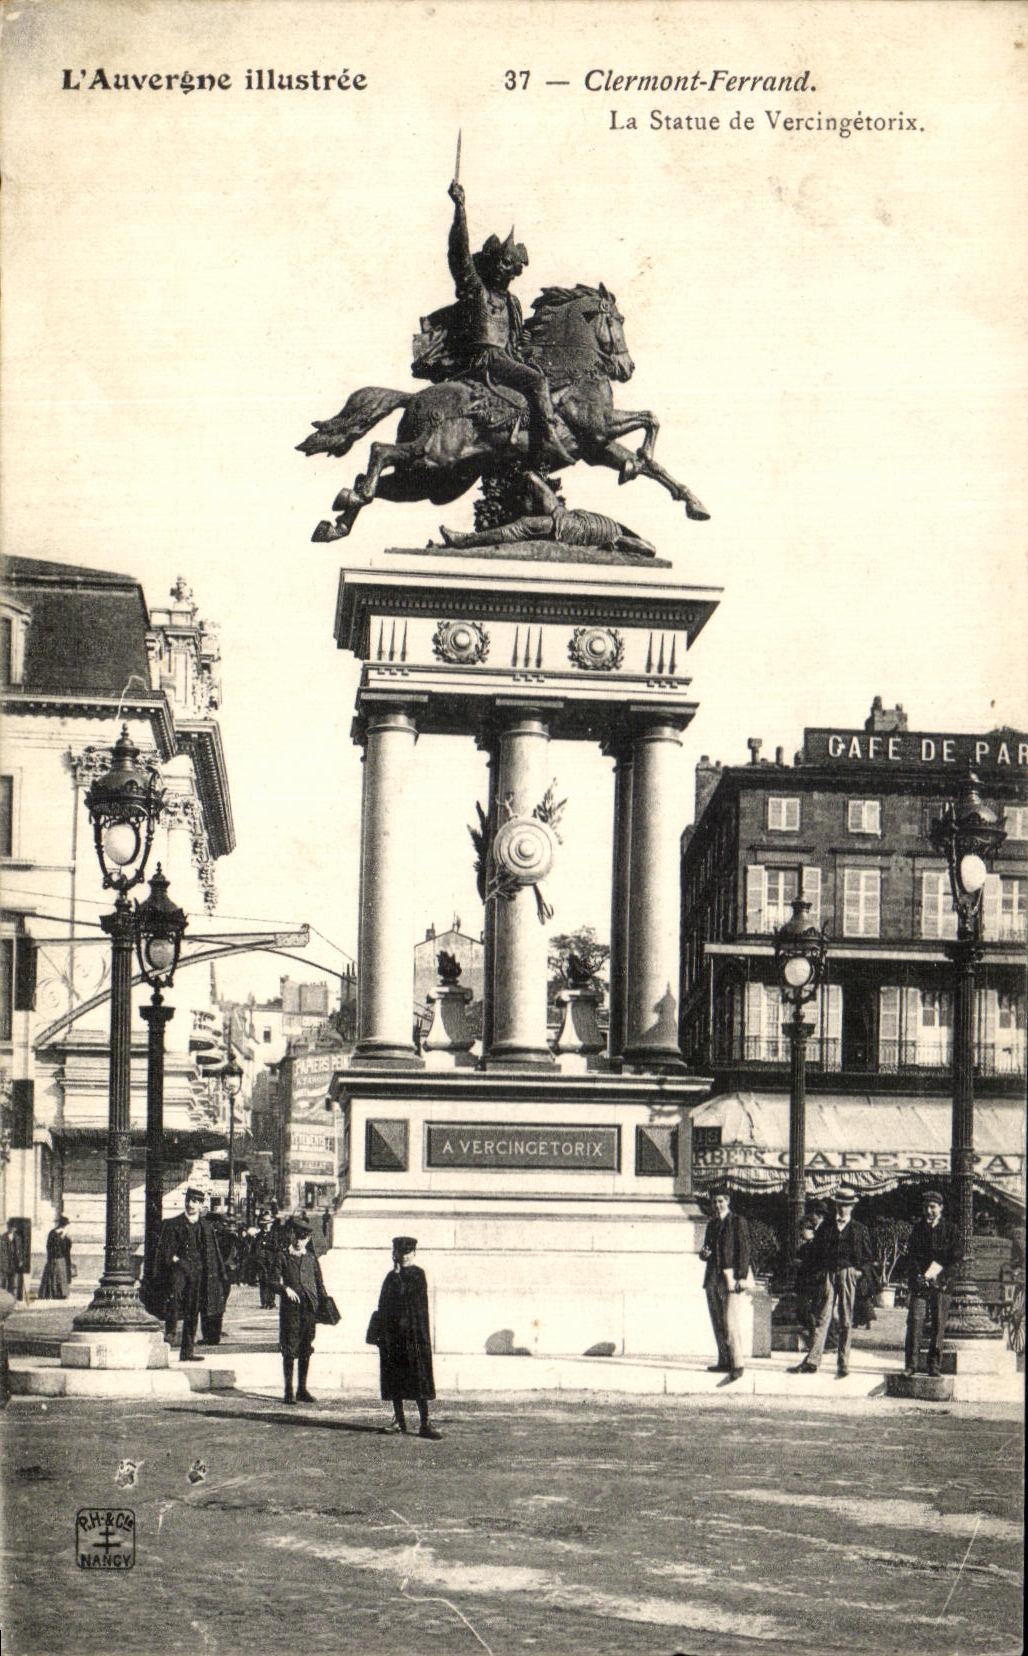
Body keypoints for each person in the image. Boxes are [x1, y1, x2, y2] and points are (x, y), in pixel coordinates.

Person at [430, 178, 575, 472]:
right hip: (485, 359)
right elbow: (458, 253)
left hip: (505, 358)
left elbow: (515, 341)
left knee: (543, 377)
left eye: (509, 266)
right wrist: (460, 209)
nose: (503, 269)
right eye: (500, 263)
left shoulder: (512, 303)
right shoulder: (476, 289)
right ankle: (548, 438)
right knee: (537, 382)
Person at [793, 1189, 874, 1378]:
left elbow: (868, 1257)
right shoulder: (826, 1227)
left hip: (848, 1274)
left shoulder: (859, 1229)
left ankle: (843, 1363)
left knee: (846, 1319)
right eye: (839, 1205)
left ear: (852, 1206)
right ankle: (813, 1361)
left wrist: (859, 1272)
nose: (842, 1209)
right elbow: (815, 1253)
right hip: (828, 1274)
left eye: (846, 1205)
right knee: (822, 1317)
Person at [373, 1237, 441, 1437]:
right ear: (395, 1254)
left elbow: (408, 1298)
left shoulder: (418, 1275)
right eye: (400, 1252)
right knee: (394, 1377)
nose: (404, 1256)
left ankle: (425, 1422)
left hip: (413, 1336)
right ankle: (399, 1421)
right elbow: (382, 1305)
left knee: (419, 1378)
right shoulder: (390, 1277)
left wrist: (397, 1277)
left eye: (408, 1252)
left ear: (414, 1253)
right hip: (393, 1337)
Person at [154, 1188, 229, 1362]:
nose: (190, 1204)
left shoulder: (206, 1226)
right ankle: (171, 1330)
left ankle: (187, 1352)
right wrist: (179, 1263)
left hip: (200, 1275)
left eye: (195, 1201)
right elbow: (166, 1253)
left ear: (201, 1205)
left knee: (193, 1312)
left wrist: (220, 1274)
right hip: (180, 1271)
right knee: (175, 1298)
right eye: (188, 1200)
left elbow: (214, 1253)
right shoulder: (173, 1224)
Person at [902, 1189, 961, 1378]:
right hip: (920, 1284)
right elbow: (911, 1256)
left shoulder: (951, 1230)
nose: (929, 1211)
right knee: (915, 1321)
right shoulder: (917, 1229)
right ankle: (911, 1365)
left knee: (938, 1324)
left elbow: (955, 1258)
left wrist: (940, 1278)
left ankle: (934, 1365)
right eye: (926, 1207)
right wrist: (919, 1276)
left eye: (933, 1207)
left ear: (941, 1208)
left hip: (941, 1284)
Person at [699, 1190, 751, 1383]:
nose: (717, 1205)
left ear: (727, 1201)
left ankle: (738, 1364)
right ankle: (724, 1361)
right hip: (712, 1278)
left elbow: (744, 1250)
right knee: (718, 1322)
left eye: (720, 1201)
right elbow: (706, 1250)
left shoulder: (737, 1222)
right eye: (714, 1202)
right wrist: (704, 1254)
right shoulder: (712, 1224)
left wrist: (742, 1277)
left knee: (730, 1322)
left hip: (730, 1278)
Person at [273, 1220, 327, 1404]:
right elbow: (271, 1281)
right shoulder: (283, 1256)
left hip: (309, 1309)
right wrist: (285, 1289)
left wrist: (323, 1304)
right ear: (291, 1235)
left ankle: (302, 1389)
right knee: (289, 1348)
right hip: (291, 1310)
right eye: (296, 1236)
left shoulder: (311, 1258)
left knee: (305, 1348)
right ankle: (288, 1391)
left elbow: (319, 1284)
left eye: (303, 1238)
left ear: (308, 1239)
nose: (298, 1241)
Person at [38, 1217, 73, 1299]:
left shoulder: (64, 1234)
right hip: (55, 1258)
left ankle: (61, 1294)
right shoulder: (53, 1233)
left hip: (61, 1258)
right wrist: (62, 1238)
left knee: (61, 1276)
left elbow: (67, 1247)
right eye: (64, 1225)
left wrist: (67, 1239)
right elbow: (50, 1246)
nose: (64, 1226)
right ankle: (54, 1293)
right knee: (54, 1276)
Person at [1, 1218, 27, 1301]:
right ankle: (3, 1300)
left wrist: (20, 1260)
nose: (11, 1229)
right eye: (9, 1227)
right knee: (3, 1283)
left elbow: (20, 1250)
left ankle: (12, 1299)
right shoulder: (2, 1238)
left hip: (14, 1263)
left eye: (13, 1227)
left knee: (12, 1283)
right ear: (8, 1227)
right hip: (5, 1263)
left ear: (15, 1228)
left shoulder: (17, 1237)